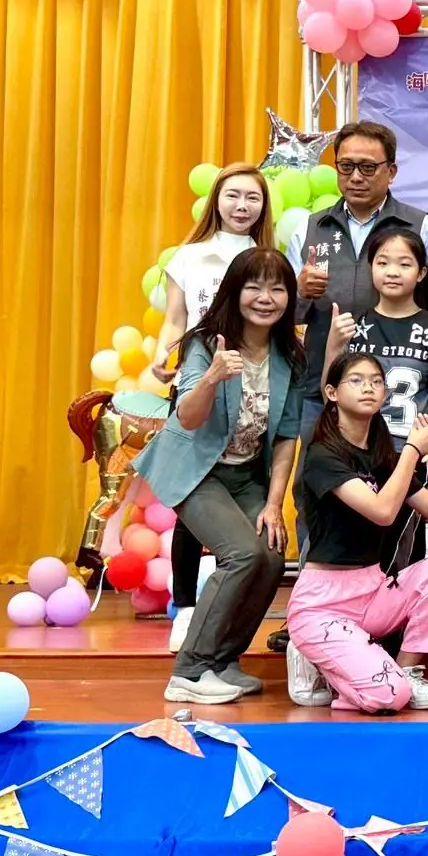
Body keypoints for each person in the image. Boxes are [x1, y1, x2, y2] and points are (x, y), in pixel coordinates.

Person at [131, 248, 304, 705]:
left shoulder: (289, 355)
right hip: (196, 470)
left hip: (247, 475)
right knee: (242, 554)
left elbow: (286, 436)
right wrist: (211, 378)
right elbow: (188, 418)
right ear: (234, 291)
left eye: (277, 288)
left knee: (270, 554)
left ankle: (223, 661)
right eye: (254, 287)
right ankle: (189, 671)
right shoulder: (206, 343)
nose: (265, 298)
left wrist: (274, 503)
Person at [287, 120, 428, 551]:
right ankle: (317, 583)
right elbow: (286, 315)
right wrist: (300, 293)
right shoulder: (309, 228)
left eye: (368, 167)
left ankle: (391, 585)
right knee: (316, 495)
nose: (356, 176)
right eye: (346, 166)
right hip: (324, 390)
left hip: (399, 393)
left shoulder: (422, 227)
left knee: (401, 495)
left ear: (391, 171)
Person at [285, 352, 428, 713]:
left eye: (376, 381)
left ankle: (407, 670)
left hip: (372, 591)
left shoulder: (384, 457)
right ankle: (315, 658)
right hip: (322, 604)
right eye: (356, 380)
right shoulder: (322, 456)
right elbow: (382, 512)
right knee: (390, 696)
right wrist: (413, 449)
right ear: (332, 393)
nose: (368, 387)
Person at [148, 163, 274, 652]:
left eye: (253, 198)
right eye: (233, 195)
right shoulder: (189, 256)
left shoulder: (269, 257)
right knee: (192, 495)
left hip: (253, 383)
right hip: (201, 379)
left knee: (244, 494)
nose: (242, 206)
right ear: (215, 200)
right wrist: (164, 355)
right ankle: (185, 606)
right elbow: (175, 319)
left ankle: (225, 613)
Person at [323, 225, 428, 561]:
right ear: (371, 267)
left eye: (404, 264)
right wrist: (334, 346)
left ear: (422, 273)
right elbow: (330, 394)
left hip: (409, 455)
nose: (392, 272)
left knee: (403, 554)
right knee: (350, 546)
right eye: (382, 262)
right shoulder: (354, 326)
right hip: (358, 454)